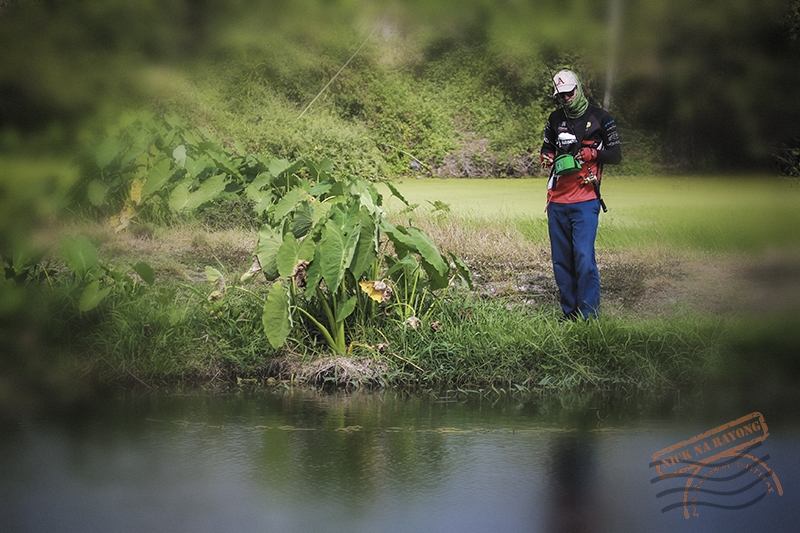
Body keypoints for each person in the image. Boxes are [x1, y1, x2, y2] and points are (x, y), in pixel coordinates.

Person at [540, 69, 621, 319]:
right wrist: (547, 157)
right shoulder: (554, 119)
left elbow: (616, 155)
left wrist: (593, 154)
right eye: (561, 95)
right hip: (557, 200)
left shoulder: (601, 118)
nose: (566, 99)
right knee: (561, 261)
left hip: (585, 199)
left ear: (579, 89)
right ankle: (570, 314)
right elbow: (546, 148)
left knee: (584, 257)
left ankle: (589, 316)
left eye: (569, 93)